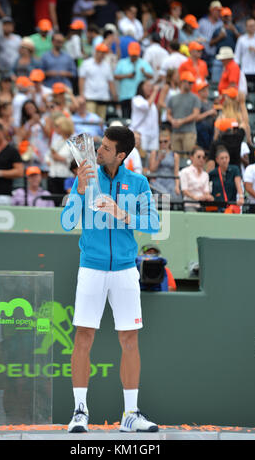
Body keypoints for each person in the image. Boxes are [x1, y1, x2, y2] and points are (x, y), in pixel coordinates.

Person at [61, 125, 160, 433]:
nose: (98, 150)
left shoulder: (138, 182)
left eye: (105, 148)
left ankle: (131, 414)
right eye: (99, 145)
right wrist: (77, 191)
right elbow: (66, 224)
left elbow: (154, 224)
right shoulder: (86, 177)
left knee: (129, 340)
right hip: (91, 267)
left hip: (125, 270)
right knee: (83, 338)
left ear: (121, 154)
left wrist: (122, 214)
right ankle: (79, 411)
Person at [114, 41, 154, 119]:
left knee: (138, 118)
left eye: (135, 55)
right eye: (132, 55)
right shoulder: (122, 63)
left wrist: (144, 72)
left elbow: (151, 76)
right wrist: (127, 76)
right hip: (125, 96)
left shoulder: (143, 63)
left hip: (139, 97)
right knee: (126, 119)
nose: (134, 57)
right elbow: (115, 76)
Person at [78, 43, 118, 121]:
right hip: (90, 97)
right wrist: (81, 94)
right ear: (96, 52)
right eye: (101, 52)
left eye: (104, 53)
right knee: (90, 120)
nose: (102, 54)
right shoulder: (86, 63)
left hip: (103, 97)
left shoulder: (106, 65)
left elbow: (110, 82)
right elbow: (81, 79)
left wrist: (114, 95)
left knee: (101, 121)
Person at [167, 71, 201, 155]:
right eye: (189, 82)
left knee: (189, 156)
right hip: (175, 132)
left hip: (189, 132)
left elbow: (196, 114)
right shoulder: (173, 98)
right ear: (183, 82)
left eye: (192, 83)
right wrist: (172, 121)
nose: (191, 85)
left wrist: (181, 121)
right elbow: (168, 114)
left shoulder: (195, 98)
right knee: (175, 156)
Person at [45, 115, 74, 202]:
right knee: (53, 200)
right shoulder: (57, 141)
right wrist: (49, 161)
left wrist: (59, 158)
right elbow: (48, 154)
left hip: (65, 175)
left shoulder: (72, 142)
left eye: (57, 126)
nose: (55, 128)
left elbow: (73, 160)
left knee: (64, 201)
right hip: (53, 175)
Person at [210, 7, 240, 83]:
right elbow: (210, 43)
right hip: (219, 59)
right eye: (224, 16)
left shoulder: (236, 28)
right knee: (216, 82)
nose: (226, 18)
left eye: (228, 16)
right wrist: (219, 37)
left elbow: (242, 40)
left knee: (232, 81)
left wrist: (235, 31)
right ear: (221, 18)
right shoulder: (218, 29)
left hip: (232, 58)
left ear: (231, 17)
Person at [148, 127, 181, 200]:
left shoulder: (175, 155)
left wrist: (177, 186)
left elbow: (176, 173)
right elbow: (151, 169)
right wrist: (159, 159)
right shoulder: (155, 153)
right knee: (160, 193)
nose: (163, 144)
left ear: (169, 142)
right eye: (160, 142)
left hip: (170, 180)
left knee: (174, 194)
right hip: (158, 180)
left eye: (165, 141)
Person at [18, 99, 50, 171]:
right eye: (27, 109)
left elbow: (48, 134)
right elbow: (24, 137)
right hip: (31, 149)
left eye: (31, 107)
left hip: (43, 148)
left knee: (44, 170)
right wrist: (30, 124)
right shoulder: (25, 123)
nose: (30, 110)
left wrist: (39, 122)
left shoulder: (44, 119)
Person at [209, 146, 244, 211]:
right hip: (217, 206)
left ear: (229, 158)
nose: (224, 160)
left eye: (226, 158)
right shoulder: (212, 173)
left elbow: (238, 184)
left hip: (231, 206)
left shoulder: (234, 169)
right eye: (222, 158)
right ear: (217, 160)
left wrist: (241, 197)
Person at [179, 146, 214, 211]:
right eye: (198, 157)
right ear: (191, 158)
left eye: (203, 157)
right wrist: (196, 197)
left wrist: (208, 196)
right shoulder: (185, 171)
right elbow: (184, 191)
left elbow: (206, 191)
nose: (201, 159)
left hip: (203, 204)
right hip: (190, 204)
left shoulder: (205, 174)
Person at [234, 18, 255, 87]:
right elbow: (237, 56)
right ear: (246, 27)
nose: (252, 27)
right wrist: (236, 69)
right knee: (244, 92)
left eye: (254, 25)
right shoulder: (241, 39)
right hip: (245, 70)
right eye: (250, 26)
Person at [130, 80, 159, 153]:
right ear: (141, 88)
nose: (150, 88)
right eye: (147, 86)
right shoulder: (137, 99)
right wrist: (155, 91)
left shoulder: (152, 103)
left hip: (153, 135)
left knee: (151, 157)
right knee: (142, 156)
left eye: (150, 86)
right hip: (141, 134)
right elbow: (146, 106)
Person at [198, 0, 223, 72]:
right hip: (203, 55)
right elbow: (196, 37)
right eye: (217, 10)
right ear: (211, 10)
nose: (219, 13)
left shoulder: (221, 23)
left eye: (220, 11)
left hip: (216, 55)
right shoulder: (202, 22)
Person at [195, 81, 217, 152]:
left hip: (211, 129)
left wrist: (214, 113)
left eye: (207, 90)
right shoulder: (197, 102)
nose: (206, 92)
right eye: (204, 90)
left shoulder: (210, 102)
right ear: (199, 92)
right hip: (201, 130)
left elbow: (214, 114)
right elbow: (196, 118)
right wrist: (209, 113)